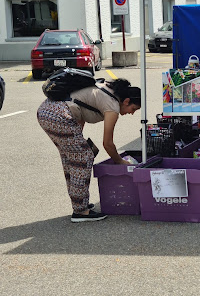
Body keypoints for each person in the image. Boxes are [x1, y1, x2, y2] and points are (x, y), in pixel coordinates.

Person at [37, 78, 141, 222]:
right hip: (59, 115)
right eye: (133, 109)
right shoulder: (112, 106)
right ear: (126, 101)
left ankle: (79, 203)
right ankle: (80, 211)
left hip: (47, 111)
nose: (132, 113)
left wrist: (77, 138)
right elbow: (108, 143)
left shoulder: (106, 89)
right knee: (84, 157)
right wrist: (120, 161)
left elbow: (80, 108)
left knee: (71, 156)